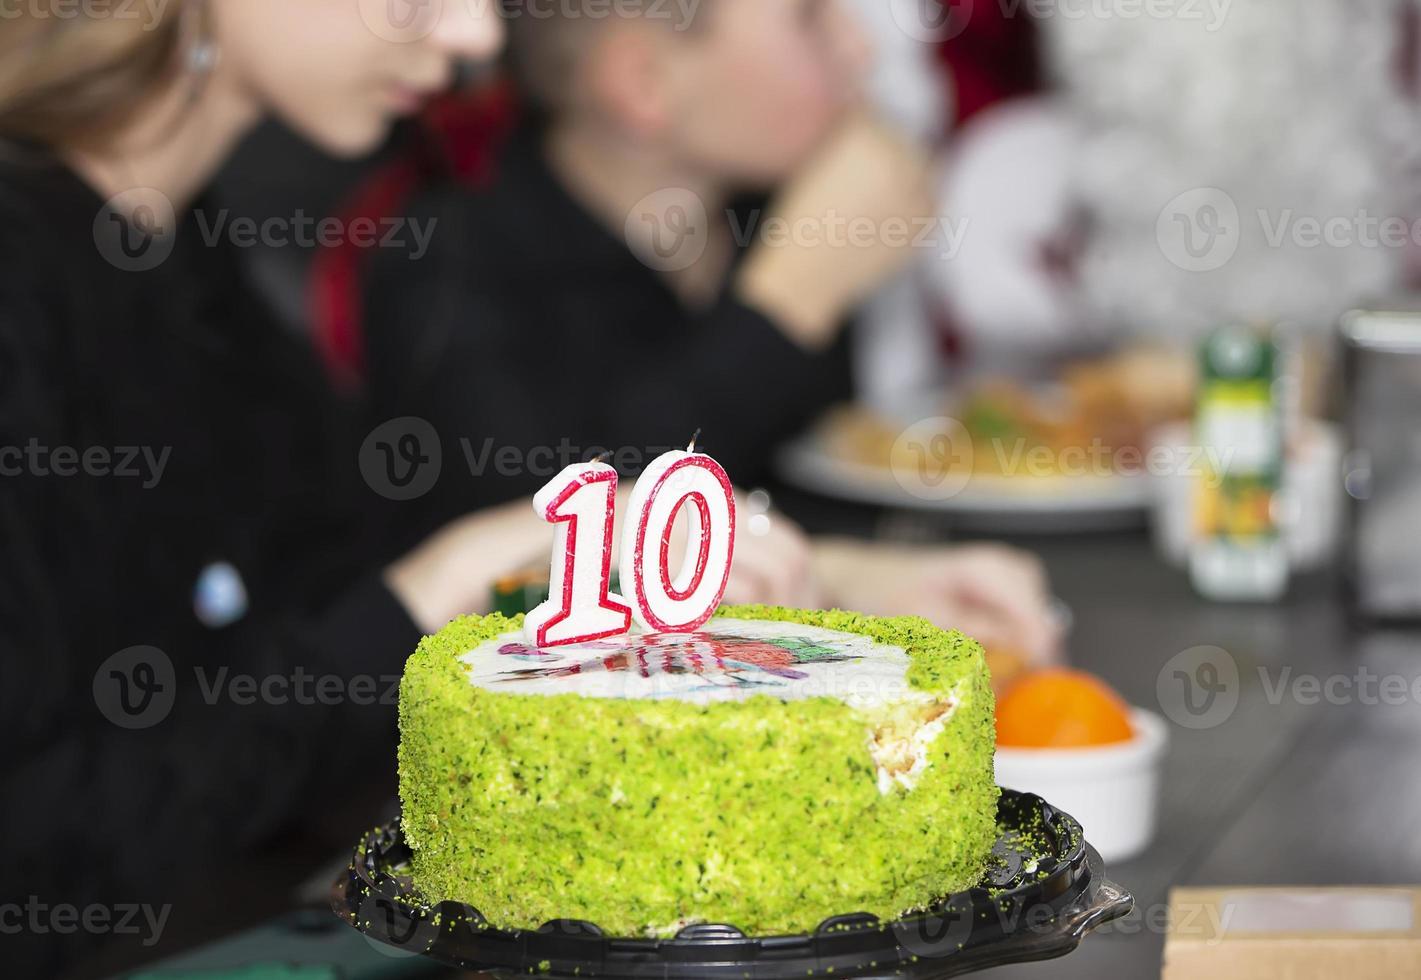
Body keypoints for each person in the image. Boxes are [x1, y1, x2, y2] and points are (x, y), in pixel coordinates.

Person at [0, 2, 546, 974]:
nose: (476, 36)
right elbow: (37, 853)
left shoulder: (173, 237)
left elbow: (303, 619)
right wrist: (422, 597)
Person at [359, 0, 1062, 659]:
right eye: (809, 19)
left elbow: (792, 485)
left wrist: (857, 578)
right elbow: (548, 554)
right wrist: (787, 301)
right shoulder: (449, 271)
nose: (860, 44)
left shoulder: (767, 214)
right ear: (644, 83)